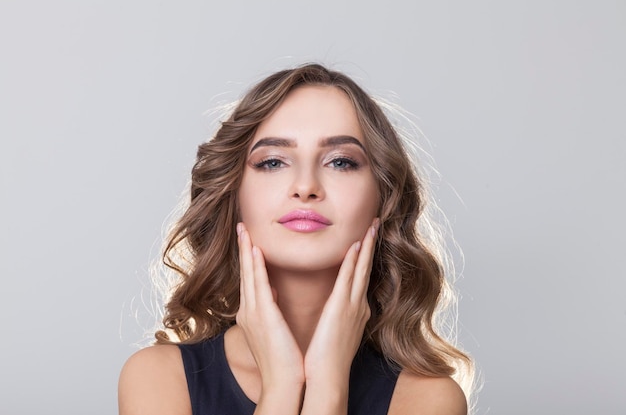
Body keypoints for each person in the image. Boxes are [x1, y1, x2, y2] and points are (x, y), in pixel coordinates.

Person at [118, 63, 474, 415]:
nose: (305, 187)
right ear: (234, 195)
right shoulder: (159, 378)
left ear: (383, 198)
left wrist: (328, 385)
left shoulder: (428, 400)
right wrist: (283, 384)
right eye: (273, 162)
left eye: (341, 162)